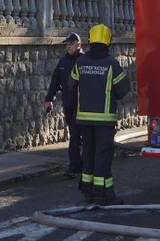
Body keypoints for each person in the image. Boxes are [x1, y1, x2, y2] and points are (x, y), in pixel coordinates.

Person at [69, 23, 130, 205]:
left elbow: (71, 85)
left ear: (90, 40)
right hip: (104, 121)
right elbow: (123, 90)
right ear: (108, 42)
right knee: (102, 157)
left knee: (88, 153)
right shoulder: (111, 64)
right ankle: (104, 195)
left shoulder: (80, 62)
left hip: (84, 120)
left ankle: (88, 192)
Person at [44, 32, 84, 177]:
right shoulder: (63, 61)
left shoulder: (84, 60)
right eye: (66, 45)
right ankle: (78, 166)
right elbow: (55, 81)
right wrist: (49, 99)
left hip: (83, 106)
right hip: (69, 105)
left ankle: (76, 167)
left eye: (70, 44)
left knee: (76, 137)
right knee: (75, 136)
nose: (67, 47)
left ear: (78, 45)